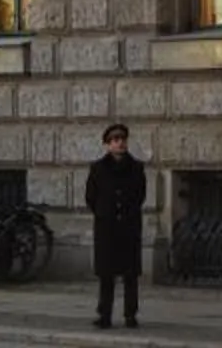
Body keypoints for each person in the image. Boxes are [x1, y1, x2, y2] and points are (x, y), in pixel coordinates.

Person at [84, 121, 147, 327]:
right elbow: (91, 197)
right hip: (107, 228)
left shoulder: (136, 168)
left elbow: (140, 195)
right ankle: (105, 314)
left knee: (130, 275)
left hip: (129, 227)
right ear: (107, 144)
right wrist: (104, 213)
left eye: (122, 139)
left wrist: (128, 213)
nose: (120, 143)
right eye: (115, 140)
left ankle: (130, 314)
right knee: (106, 275)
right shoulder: (98, 169)